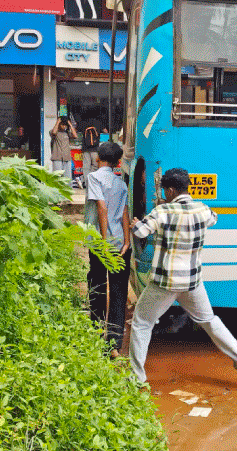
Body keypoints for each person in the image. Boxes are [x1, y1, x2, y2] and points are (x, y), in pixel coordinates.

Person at [128, 168, 237, 384]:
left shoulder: (162, 211)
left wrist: (135, 223)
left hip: (165, 282)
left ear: (172, 189)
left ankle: (137, 378)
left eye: (165, 190)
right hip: (193, 282)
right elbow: (213, 218)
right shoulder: (203, 209)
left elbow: (140, 232)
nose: (164, 193)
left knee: (141, 323)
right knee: (208, 320)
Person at [86, 142, 131, 359]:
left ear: (97, 159)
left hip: (100, 243)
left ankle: (96, 335)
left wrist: (103, 241)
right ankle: (113, 344)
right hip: (120, 244)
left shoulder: (94, 177)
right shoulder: (121, 183)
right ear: (117, 163)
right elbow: (124, 211)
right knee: (119, 291)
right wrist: (127, 242)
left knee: (97, 285)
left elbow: (101, 206)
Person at [50, 116, 76, 186]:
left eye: (65, 125)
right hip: (57, 158)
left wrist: (70, 124)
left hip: (67, 158)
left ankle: (67, 193)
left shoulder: (67, 133)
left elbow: (75, 136)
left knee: (68, 179)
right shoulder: (53, 132)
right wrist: (58, 121)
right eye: (62, 124)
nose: (64, 126)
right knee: (57, 178)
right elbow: (54, 132)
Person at [80, 114, 101, 188]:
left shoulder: (83, 123)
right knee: (95, 165)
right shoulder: (98, 123)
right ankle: (91, 181)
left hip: (85, 149)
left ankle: (87, 182)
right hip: (95, 149)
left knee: (86, 166)